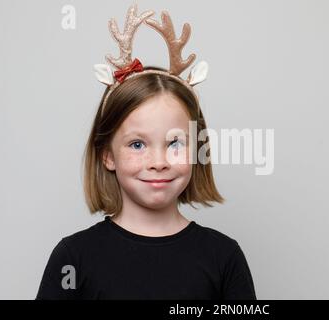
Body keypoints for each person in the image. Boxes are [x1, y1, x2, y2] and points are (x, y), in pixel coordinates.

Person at [36, 4, 256, 300]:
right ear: (107, 155)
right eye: (137, 144)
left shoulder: (224, 258)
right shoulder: (72, 259)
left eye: (175, 143)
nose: (158, 162)